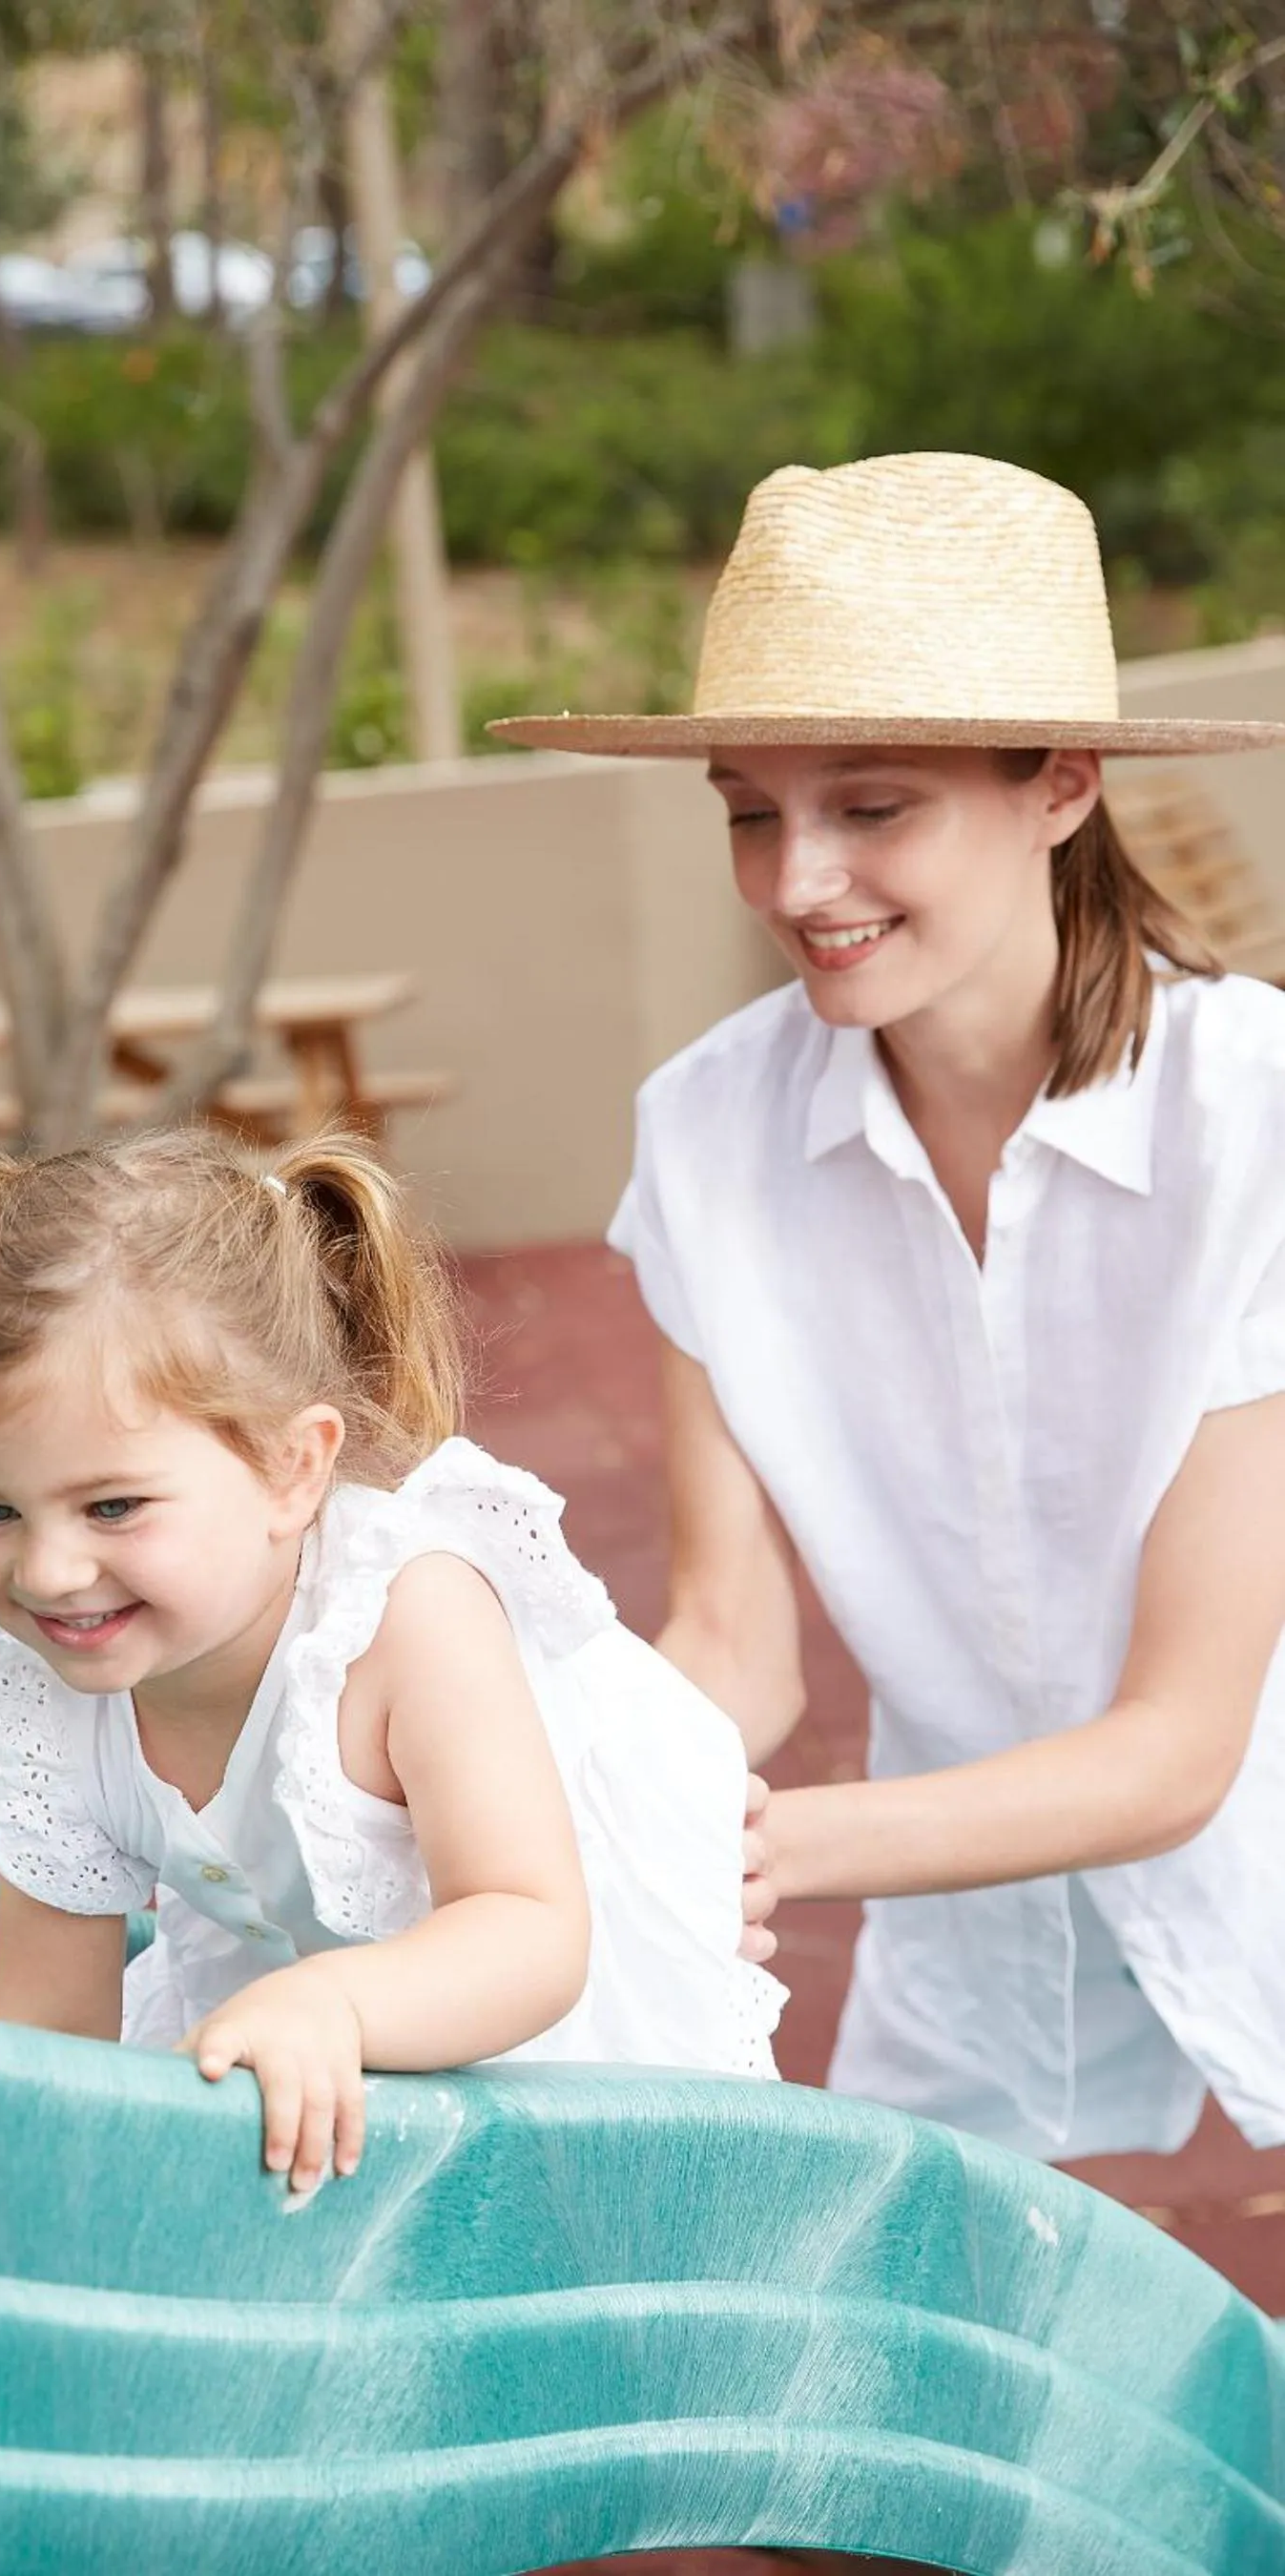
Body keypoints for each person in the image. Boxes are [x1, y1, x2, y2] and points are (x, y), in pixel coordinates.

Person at [490, 448, 1285, 2165]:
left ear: (1062, 786)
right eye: (750, 812)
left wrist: (747, 1848)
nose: (795, 884)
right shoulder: (707, 1133)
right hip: (968, 1938)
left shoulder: (1260, 1127)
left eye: (871, 806)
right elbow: (731, 1642)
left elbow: (1176, 1750)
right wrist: (523, 1782)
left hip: (1257, 1846)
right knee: (940, 2369)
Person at [0, 1126, 785, 2193]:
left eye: (114, 1506)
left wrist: (337, 2003)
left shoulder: (404, 1619)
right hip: (317, 1962)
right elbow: (48, 2028)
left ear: (293, 1470)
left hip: (565, 1984)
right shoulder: (43, 1688)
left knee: (559, 2241)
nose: (48, 1572)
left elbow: (532, 1933)